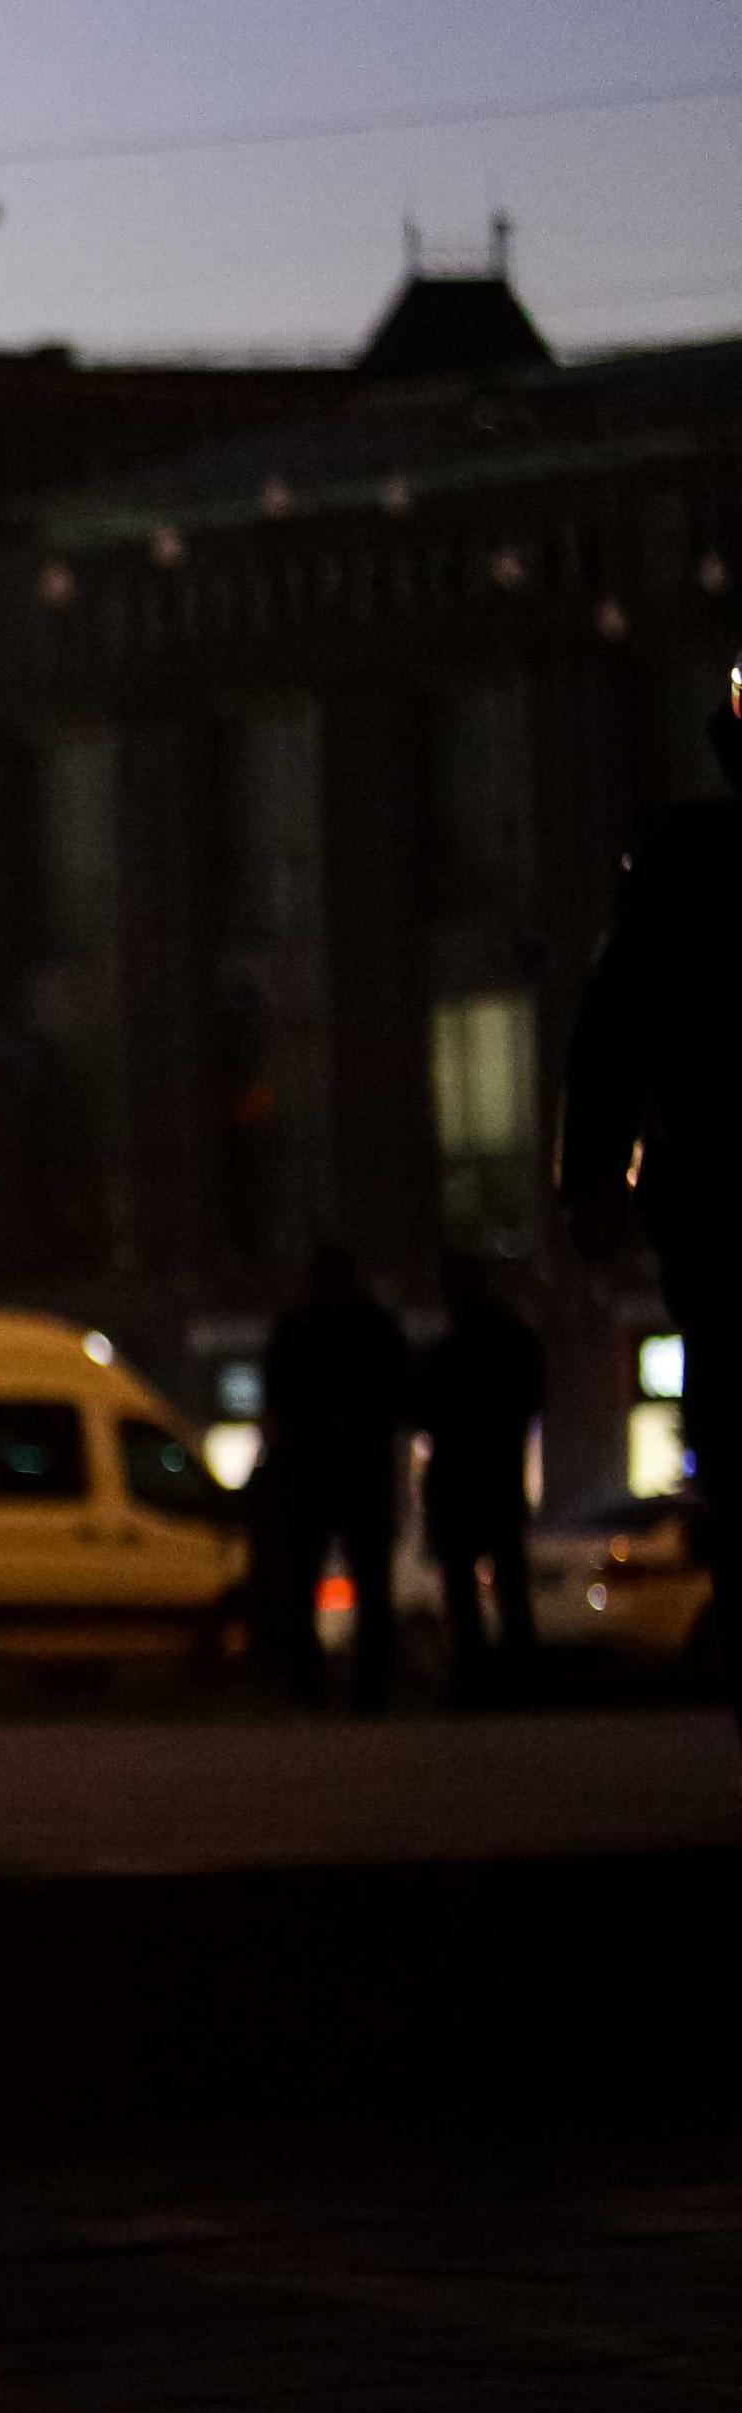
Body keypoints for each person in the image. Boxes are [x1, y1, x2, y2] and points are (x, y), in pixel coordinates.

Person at [564, 642, 742, 1736]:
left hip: (724, 1221)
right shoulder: (687, 864)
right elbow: (615, 1031)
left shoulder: (684, 863)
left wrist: (595, 1180)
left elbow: (610, 1033)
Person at [264, 1247, 414, 1712]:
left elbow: (277, 1400)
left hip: (315, 1473)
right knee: (366, 1582)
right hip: (356, 1471)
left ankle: (313, 1684)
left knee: (307, 1580)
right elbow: (401, 1396)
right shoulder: (373, 1329)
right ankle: (365, 1686)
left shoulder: (298, 1329)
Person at [414, 1252, 546, 1704]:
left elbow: (420, 1411)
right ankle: (517, 1679)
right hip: (495, 1480)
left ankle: (479, 1680)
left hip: (462, 1485)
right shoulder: (509, 1342)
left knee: (467, 1591)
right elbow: (531, 1398)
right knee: (508, 1585)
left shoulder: (449, 1352)